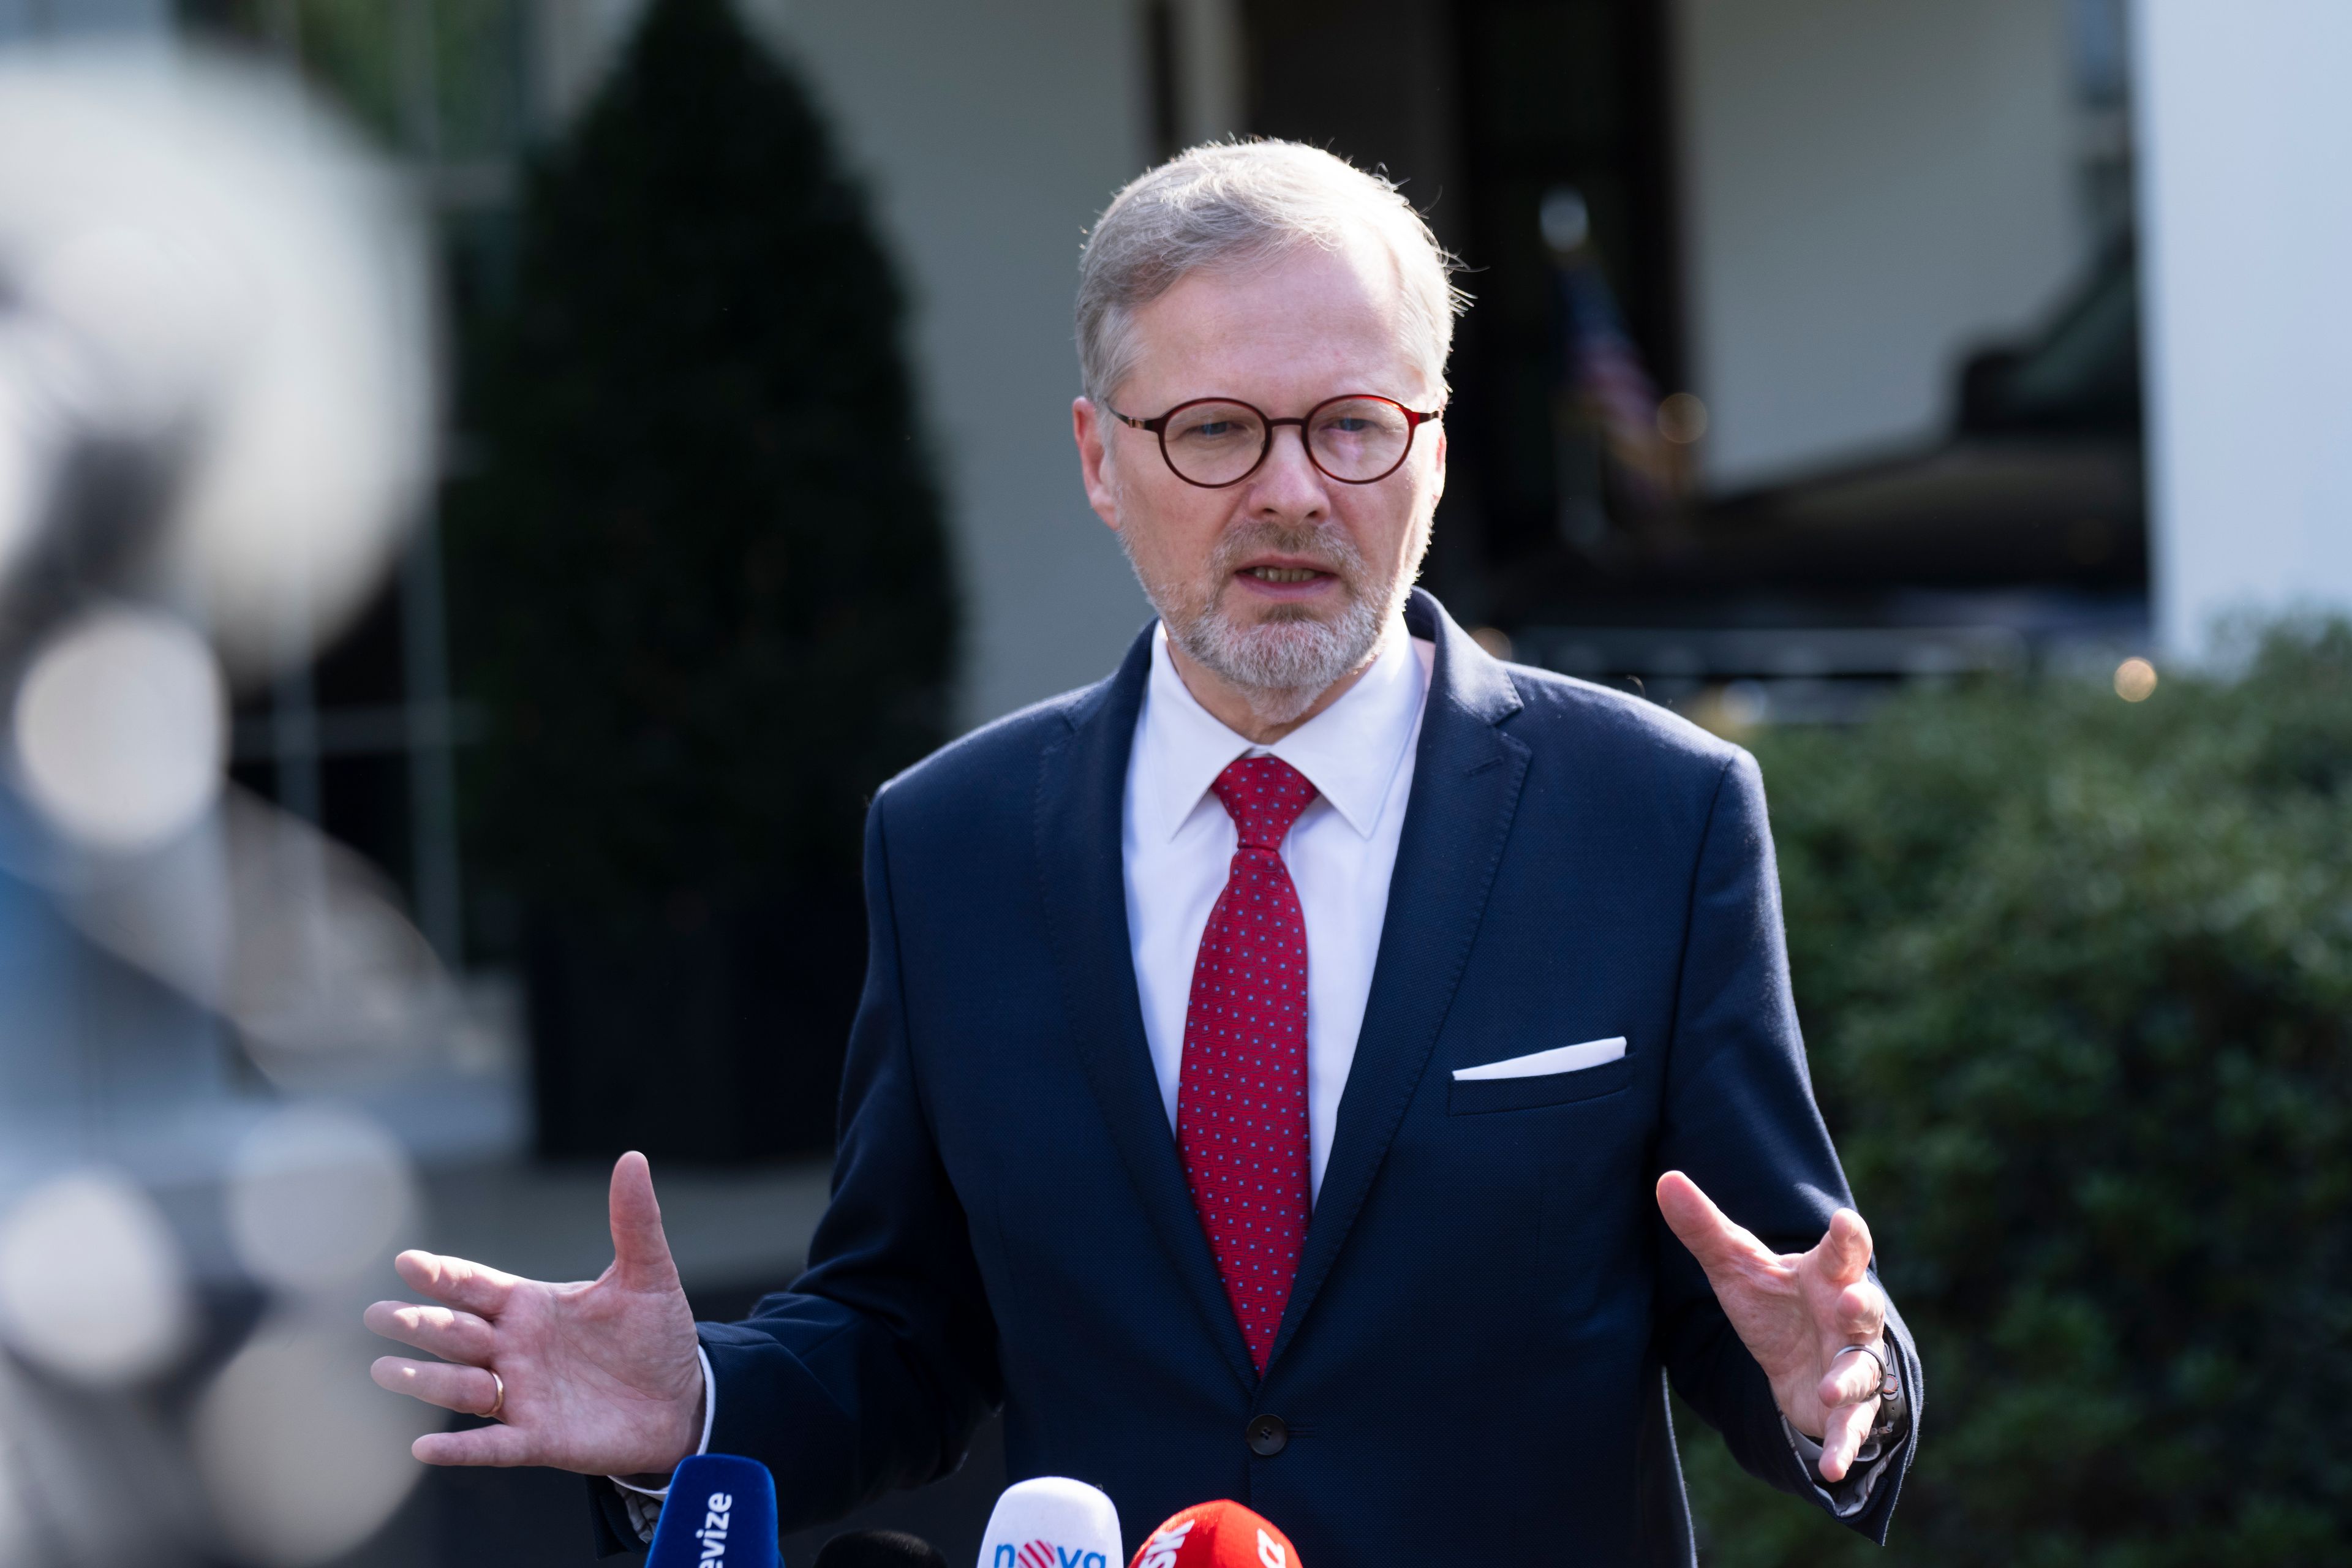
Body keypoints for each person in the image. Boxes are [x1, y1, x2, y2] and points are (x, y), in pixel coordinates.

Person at [366, 141, 1919, 1564]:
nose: (1294, 490)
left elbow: (1763, 1297)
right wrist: (701, 1404)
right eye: (1218, 430)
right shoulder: (953, 841)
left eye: (1354, 426)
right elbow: (904, 1325)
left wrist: (1835, 1375)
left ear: (1433, 453)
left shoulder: (1653, 814)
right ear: (1104, 459)